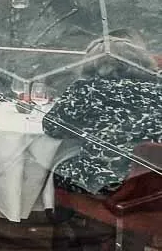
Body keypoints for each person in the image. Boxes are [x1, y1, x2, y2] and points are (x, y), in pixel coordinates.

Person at [43, 38, 162, 195]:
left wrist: (87, 126)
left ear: (93, 63)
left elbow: (52, 127)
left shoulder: (88, 88)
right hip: (151, 182)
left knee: (54, 170)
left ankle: (51, 215)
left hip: (107, 182)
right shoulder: (157, 89)